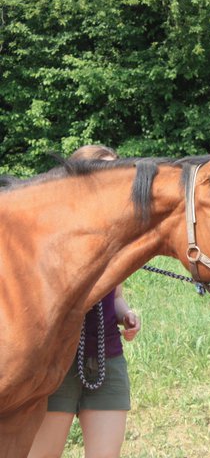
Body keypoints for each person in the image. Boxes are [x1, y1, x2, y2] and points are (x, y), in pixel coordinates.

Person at [29, 145, 141, 458]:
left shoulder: (117, 234)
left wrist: (125, 314)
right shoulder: (51, 231)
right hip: (57, 363)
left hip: (107, 357)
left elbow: (115, 294)